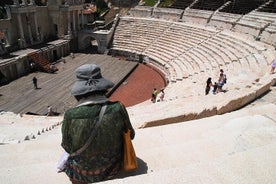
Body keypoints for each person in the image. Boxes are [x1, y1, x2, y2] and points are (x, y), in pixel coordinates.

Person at [61, 64, 135, 184]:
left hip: (82, 173)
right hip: (113, 167)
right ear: (103, 88)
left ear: (78, 93)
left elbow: (67, 146)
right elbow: (130, 135)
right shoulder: (118, 108)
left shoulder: (70, 115)